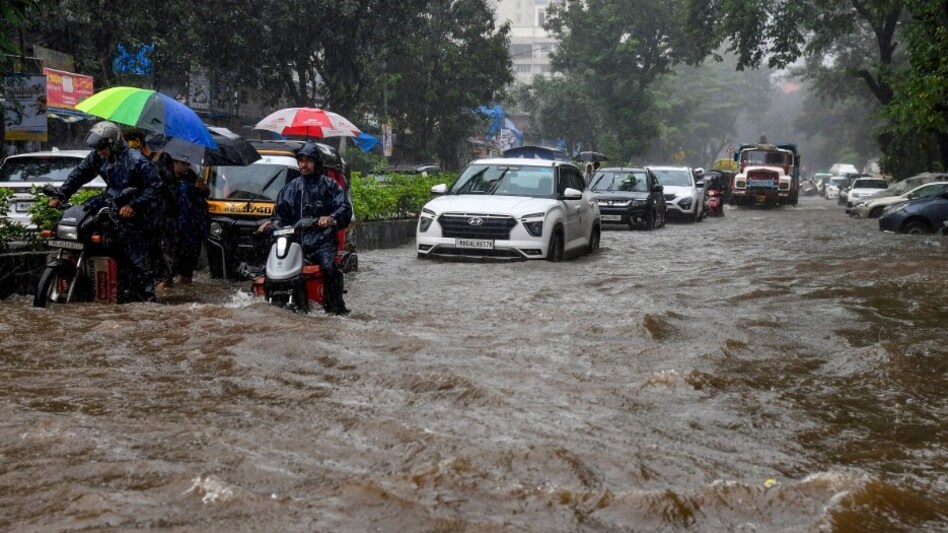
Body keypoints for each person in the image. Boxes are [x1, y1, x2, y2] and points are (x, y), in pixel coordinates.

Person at [49, 121, 162, 302]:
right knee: (85, 216)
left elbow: (155, 189)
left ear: (113, 143)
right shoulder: (98, 156)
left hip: (138, 212)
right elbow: (79, 174)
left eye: (102, 148)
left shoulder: (137, 161)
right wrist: (61, 195)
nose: (100, 152)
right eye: (97, 149)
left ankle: (147, 302)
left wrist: (133, 206)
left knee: (136, 259)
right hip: (111, 202)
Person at [264, 142, 352, 315]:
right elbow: (278, 215)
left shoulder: (330, 186)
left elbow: (344, 208)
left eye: (308, 161)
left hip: (322, 244)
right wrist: (274, 225)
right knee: (266, 269)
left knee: (329, 268)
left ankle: (336, 309)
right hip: (295, 243)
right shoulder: (290, 188)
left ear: (316, 163)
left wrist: (331, 218)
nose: (304, 164)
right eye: (301, 160)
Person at [123, 127, 177, 291]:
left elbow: (167, 184)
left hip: (161, 213)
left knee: (160, 248)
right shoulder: (132, 161)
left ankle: (166, 280)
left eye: (130, 143)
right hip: (142, 213)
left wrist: (153, 169)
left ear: (138, 142)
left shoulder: (162, 158)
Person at [170, 157, 210, 284]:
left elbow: (202, 197)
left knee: (185, 275)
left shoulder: (190, 178)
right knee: (168, 277)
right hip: (179, 235)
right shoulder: (167, 179)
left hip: (190, 234)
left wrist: (201, 188)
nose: (187, 166)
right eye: (185, 164)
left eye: (188, 164)